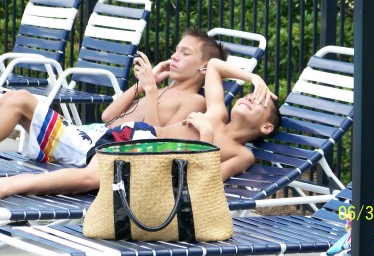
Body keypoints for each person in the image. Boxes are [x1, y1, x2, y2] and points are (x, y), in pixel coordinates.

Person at [0, 58, 280, 198]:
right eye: (249, 93)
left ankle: (10, 186)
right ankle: (9, 186)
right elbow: (215, 66)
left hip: (150, 162)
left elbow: (205, 184)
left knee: (91, 178)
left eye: (259, 102)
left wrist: (206, 138)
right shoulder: (217, 112)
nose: (249, 97)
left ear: (266, 127)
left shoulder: (243, 155)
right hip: (139, 138)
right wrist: (253, 77)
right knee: (92, 178)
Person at [0, 28, 227, 167]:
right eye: (176, 50)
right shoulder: (164, 89)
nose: (175, 57)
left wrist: (151, 90)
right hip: (90, 134)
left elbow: (155, 141)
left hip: (98, 150)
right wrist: (142, 86)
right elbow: (108, 115)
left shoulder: (194, 102)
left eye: (185, 54)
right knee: (12, 96)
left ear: (205, 68)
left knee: (21, 100)